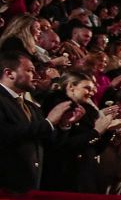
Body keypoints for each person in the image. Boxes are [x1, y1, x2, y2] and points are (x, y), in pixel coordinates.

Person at [0, 49, 71, 192]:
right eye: (30, 71)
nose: (36, 76)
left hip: (30, 187)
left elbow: (49, 142)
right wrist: (48, 122)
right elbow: (5, 134)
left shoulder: (32, 107)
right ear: (9, 73)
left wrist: (63, 125)